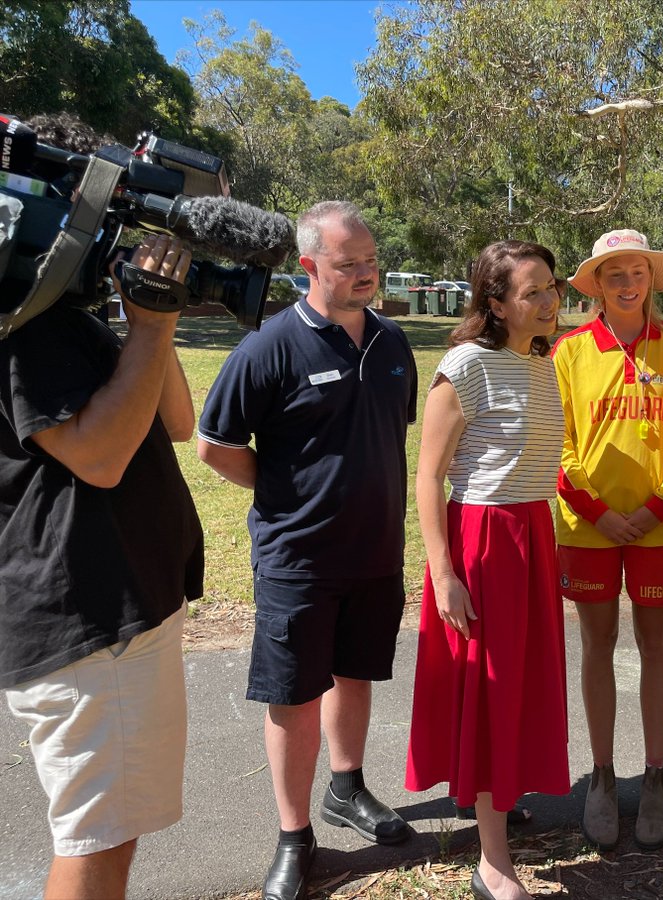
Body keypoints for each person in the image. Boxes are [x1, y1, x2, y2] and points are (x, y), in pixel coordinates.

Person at [197, 201, 417, 900]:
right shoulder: (268, 346)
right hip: (298, 560)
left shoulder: (392, 343)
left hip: (376, 552)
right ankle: (295, 837)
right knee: (294, 697)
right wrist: (283, 491)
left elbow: (386, 433)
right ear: (308, 266)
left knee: (356, 675)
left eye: (370, 259)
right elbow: (215, 446)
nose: (364, 273)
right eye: (348, 263)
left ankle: (346, 789)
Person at [1, 234, 203, 900]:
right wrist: (149, 326)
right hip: (88, 622)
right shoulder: (24, 325)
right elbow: (101, 456)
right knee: (96, 844)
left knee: (110, 836)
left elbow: (175, 419)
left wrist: (153, 320)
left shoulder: (64, 316)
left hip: (120, 616)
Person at [406, 240, 570, 900]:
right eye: (533, 292)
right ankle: (493, 863)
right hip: (484, 540)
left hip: (532, 533)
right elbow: (428, 475)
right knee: (489, 691)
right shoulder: (464, 366)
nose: (550, 300)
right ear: (496, 303)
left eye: (551, 286)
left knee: (519, 685)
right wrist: (444, 573)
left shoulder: (539, 361)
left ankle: (497, 801)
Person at [554, 229, 663, 851]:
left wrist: (659, 504)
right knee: (597, 643)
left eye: (636, 271)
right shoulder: (568, 351)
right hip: (587, 528)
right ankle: (604, 777)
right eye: (613, 273)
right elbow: (556, 443)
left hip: (658, 524)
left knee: (657, 642)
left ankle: (657, 775)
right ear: (596, 284)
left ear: (651, 279)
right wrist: (596, 510)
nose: (626, 282)